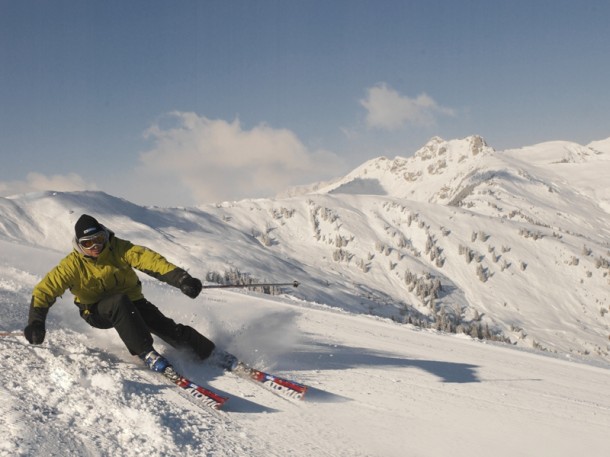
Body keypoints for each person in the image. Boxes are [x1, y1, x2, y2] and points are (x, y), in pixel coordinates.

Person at [24, 214, 235, 376]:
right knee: (118, 301)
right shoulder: (72, 265)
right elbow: (45, 290)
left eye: (98, 239)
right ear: (79, 245)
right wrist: (36, 322)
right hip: (96, 311)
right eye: (88, 243)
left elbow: (149, 260)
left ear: (105, 235)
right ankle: (146, 352)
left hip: (133, 303)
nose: (95, 246)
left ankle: (207, 352)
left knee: (166, 326)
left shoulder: (119, 248)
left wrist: (181, 279)